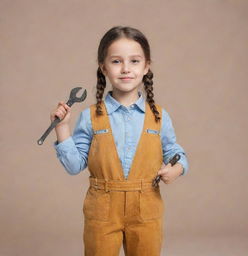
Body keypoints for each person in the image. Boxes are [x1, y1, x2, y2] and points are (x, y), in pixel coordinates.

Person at [51, 26, 189, 256]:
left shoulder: (159, 116)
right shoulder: (90, 116)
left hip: (146, 207)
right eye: (116, 61)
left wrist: (178, 167)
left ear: (146, 66)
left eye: (134, 61)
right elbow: (74, 166)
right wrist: (62, 128)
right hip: (102, 209)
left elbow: (176, 152)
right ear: (103, 67)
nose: (126, 69)